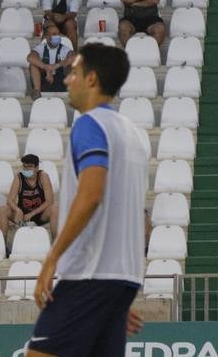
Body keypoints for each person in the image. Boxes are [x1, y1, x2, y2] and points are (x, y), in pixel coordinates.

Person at [27, 43, 148, 356]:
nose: (68, 80)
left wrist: (52, 258)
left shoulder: (89, 125)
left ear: (91, 79)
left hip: (89, 274)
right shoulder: (133, 133)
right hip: (121, 277)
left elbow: (92, 194)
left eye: (74, 73)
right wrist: (110, 302)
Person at [0, 154, 56, 233]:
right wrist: (18, 210)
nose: (26, 169)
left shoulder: (43, 176)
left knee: (56, 208)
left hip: (40, 215)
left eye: (30, 167)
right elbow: (10, 200)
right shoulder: (19, 177)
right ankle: (2, 243)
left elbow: (49, 200)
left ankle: (56, 242)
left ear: (37, 168)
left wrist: (32, 214)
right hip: (22, 216)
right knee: (2, 209)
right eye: (24, 166)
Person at [28, 20, 75, 95]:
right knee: (32, 65)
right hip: (44, 79)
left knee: (71, 65)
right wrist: (46, 67)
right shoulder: (41, 48)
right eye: (54, 34)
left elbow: (74, 57)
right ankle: (37, 91)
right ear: (46, 37)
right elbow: (30, 57)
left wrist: (55, 66)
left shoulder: (64, 48)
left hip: (60, 81)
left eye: (58, 34)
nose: (57, 36)